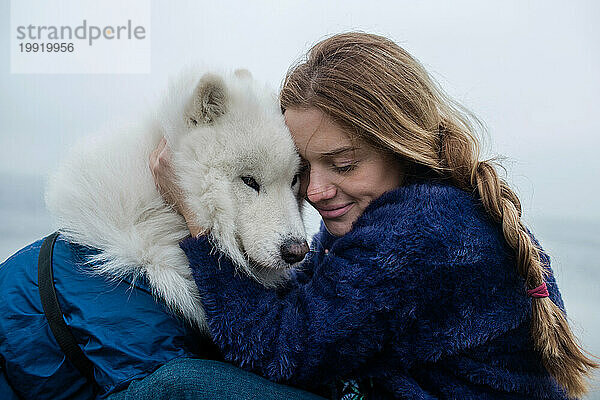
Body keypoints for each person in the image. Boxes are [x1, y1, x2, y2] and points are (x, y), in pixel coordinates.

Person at [119, 32, 597, 399]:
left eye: (344, 163)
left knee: (180, 386)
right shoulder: (404, 212)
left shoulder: (423, 231)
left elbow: (279, 351)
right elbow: (319, 315)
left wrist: (196, 221)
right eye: (303, 169)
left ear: (400, 146)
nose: (317, 191)